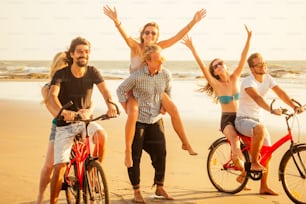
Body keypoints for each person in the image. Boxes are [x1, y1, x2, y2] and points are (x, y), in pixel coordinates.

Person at [103, 5, 206, 167]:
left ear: (157, 37)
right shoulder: (135, 47)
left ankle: (185, 142)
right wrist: (117, 21)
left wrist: (193, 22)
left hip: (153, 88)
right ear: (142, 35)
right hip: (135, 89)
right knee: (133, 113)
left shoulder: (159, 48)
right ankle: (128, 151)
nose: (150, 35)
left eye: (153, 33)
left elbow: (177, 36)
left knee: (173, 109)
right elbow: (125, 35)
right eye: (147, 32)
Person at [48, 36, 118, 204]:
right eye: (79, 51)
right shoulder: (61, 74)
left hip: (85, 122)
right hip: (65, 125)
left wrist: (111, 105)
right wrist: (62, 112)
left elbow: (105, 91)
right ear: (72, 54)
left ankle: (93, 173)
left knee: (101, 134)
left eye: (86, 52)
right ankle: (53, 201)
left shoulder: (93, 72)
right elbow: (52, 95)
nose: (83, 55)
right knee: (60, 166)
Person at [181, 25, 252, 172]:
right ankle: (246, 172)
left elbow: (243, 58)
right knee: (235, 141)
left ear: (225, 66)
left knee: (251, 143)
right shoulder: (216, 84)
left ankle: (242, 170)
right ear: (214, 72)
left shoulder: (235, 77)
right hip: (227, 120)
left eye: (220, 63)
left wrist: (249, 38)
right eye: (215, 66)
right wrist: (192, 48)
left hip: (240, 116)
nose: (218, 66)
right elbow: (201, 65)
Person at [234, 52, 304, 195]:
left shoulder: (268, 78)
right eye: (259, 64)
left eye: (264, 63)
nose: (263, 66)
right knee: (260, 129)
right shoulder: (248, 81)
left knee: (268, 153)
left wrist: (294, 106)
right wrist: (271, 110)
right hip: (242, 120)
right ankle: (253, 163)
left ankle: (263, 186)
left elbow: (281, 93)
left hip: (257, 120)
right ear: (252, 68)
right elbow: (257, 98)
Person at [117, 44, 173, 203]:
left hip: (155, 120)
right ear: (148, 61)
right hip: (138, 122)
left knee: (161, 153)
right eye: (157, 60)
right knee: (135, 156)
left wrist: (164, 105)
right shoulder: (137, 76)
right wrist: (127, 108)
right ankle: (136, 191)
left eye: (162, 59)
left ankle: (160, 187)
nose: (161, 62)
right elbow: (120, 90)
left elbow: (168, 90)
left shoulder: (165, 74)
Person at [36, 52, 68, 204]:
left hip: (79, 124)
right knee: (49, 165)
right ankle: (41, 195)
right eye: (63, 64)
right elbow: (53, 110)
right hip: (59, 126)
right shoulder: (47, 88)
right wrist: (66, 115)